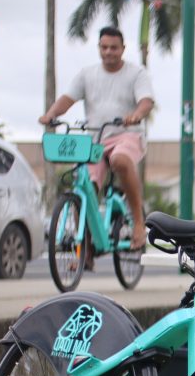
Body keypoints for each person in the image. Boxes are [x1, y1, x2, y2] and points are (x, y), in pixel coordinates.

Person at [39, 26, 153, 250]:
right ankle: (86, 246)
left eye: (114, 47)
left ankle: (139, 223)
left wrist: (136, 115)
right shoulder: (87, 74)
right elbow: (68, 98)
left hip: (126, 136)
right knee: (85, 185)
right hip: (95, 140)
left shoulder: (136, 73)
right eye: (104, 47)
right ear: (99, 48)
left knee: (120, 160)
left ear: (123, 49)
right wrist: (51, 114)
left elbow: (146, 101)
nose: (109, 52)